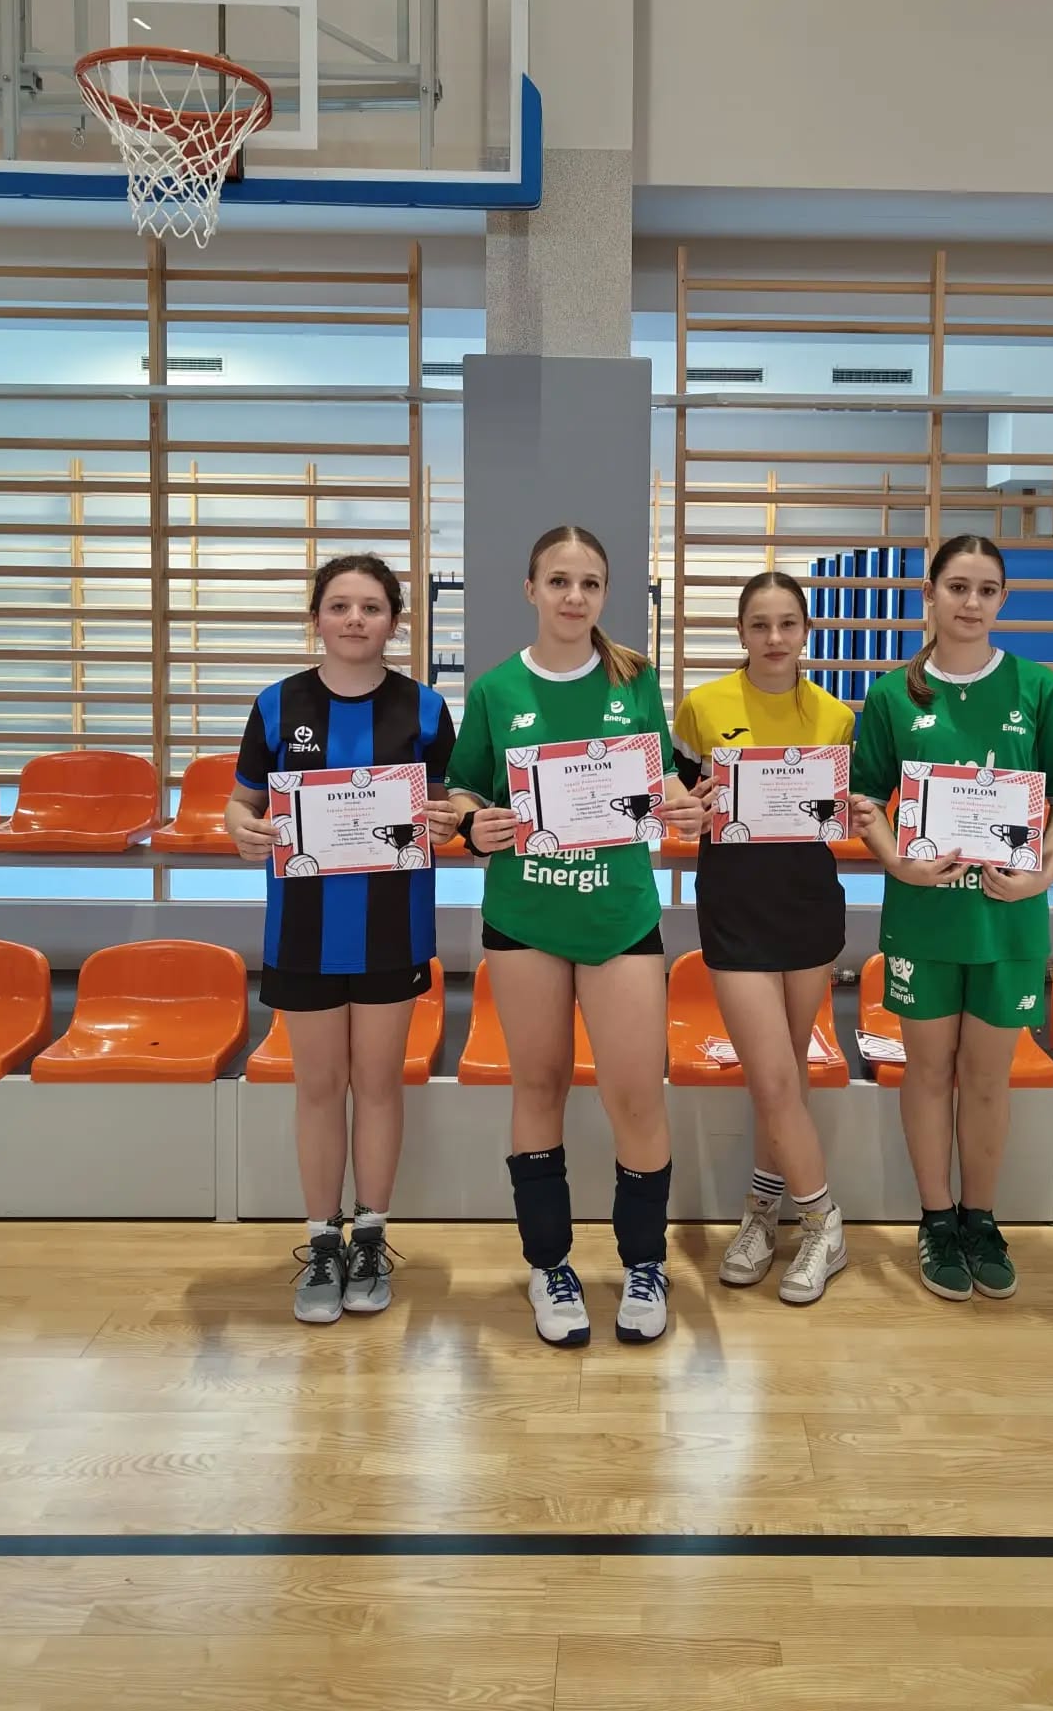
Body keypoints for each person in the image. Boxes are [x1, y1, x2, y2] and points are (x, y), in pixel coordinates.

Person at [445, 525, 705, 1348]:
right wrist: (472, 824)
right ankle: (548, 1264)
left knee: (636, 1094)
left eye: (590, 583)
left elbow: (662, 776)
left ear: (605, 594)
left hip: (618, 914)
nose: (574, 596)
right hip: (525, 916)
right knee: (539, 1087)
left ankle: (644, 1262)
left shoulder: (635, 679)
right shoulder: (496, 690)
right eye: (559, 581)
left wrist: (683, 806)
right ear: (531, 589)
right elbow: (461, 789)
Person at [850, 534, 1053, 1303]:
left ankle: (980, 1220)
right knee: (927, 1072)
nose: (971, 602)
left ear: (1003, 600)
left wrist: (1043, 875)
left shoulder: (1036, 687)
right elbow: (863, 799)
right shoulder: (893, 695)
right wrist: (896, 860)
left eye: (987, 590)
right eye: (957, 587)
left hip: (1008, 920)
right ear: (930, 595)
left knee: (987, 1077)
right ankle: (935, 1218)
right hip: (924, 918)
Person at [226, 553, 459, 1325]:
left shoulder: (426, 708)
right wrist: (243, 831)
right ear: (317, 618)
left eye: (371, 607)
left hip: (394, 929)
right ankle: (323, 1242)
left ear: (394, 622)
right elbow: (241, 804)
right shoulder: (276, 704)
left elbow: (447, 805)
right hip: (303, 931)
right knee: (320, 1088)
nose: (355, 619)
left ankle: (371, 1237)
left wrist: (446, 820)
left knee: (380, 1084)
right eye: (339, 606)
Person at [672, 571, 854, 1305]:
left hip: (807, 904)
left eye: (788, 624)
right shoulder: (702, 707)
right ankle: (825, 1225)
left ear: (806, 631)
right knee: (773, 1076)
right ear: (741, 632)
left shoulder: (837, 716)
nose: (774, 638)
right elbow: (677, 801)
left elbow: (847, 808)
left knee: (786, 1074)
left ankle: (761, 1211)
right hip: (735, 906)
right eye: (760, 625)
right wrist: (691, 804)